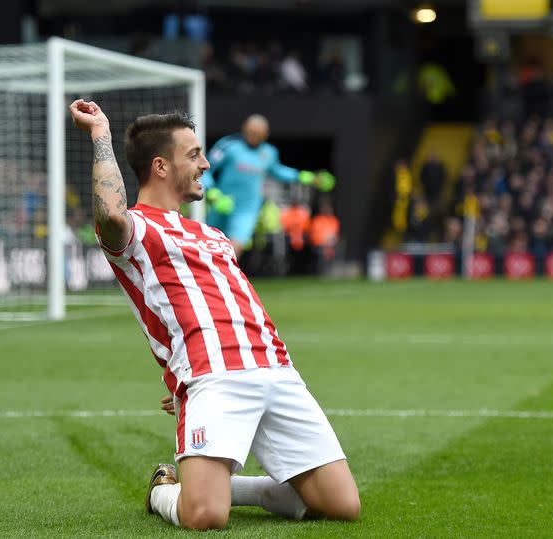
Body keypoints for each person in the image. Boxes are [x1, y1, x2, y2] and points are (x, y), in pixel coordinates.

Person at [68, 99, 360, 531]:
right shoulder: (136, 230)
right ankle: (163, 491)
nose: (205, 164)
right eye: (194, 155)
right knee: (205, 516)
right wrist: (101, 135)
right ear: (161, 167)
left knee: (342, 506)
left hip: (276, 369)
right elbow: (109, 212)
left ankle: (235, 487)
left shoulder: (213, 235)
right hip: (213, 374)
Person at [201, 114, 335, 258]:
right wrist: (214, 194)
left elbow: (277, 170)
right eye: (251, 131)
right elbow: (205, 169)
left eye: (258, 133)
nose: (254, 135)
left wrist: (305, 177)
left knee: (235, 247)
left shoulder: (269, 153)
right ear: (245, 129)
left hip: (247, 209)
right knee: (208, 244)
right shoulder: (229, 145)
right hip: (222, 204)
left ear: (266, 134)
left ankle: (224, 278)